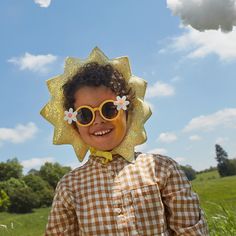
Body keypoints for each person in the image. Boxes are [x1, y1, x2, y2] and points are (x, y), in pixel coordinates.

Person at [41, 47, 208, 235]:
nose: (98, 120)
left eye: (109, 109)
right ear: (74, 125)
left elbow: (190, 230)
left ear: (128, 112)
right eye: (85, 114)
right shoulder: (69, 186)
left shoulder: (161, 169)